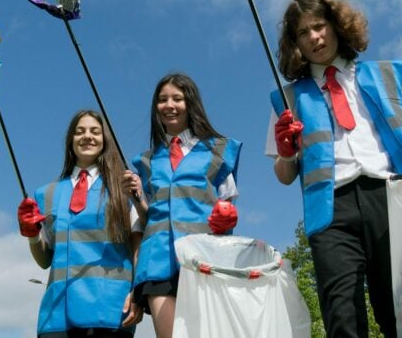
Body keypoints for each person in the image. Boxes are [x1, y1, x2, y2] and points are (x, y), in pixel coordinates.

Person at [266, 0, 402, 338]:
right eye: (303, 33)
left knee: (401, 306)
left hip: (390, 195)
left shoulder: (385, 76)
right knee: (342, 313)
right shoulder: (287, 98)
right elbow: (284, 175)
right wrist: (287, 150)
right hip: (331, 209)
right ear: (295, 44)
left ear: (336, 25)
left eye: (319, 26)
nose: (314, 37)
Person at [132, 73, 241, 338]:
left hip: (204, 259)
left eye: (177, 98)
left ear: (190, 103)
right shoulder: (144, 162)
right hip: (157, 265)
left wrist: (226, 221)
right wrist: (137, 199)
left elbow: (228, 205)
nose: (169, 105)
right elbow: (140, 223)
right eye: (162, 100)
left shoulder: (219, 150)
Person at [17, 110, 145, 337]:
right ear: (70, 141)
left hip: (110, 309)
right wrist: (31, 233)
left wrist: (137, 291)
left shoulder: (124, 188)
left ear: (105, 140)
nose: (87, 136)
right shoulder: (45, 194)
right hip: (56, 314)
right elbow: (45, 260)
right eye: (80, 132)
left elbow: (137, 247)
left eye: (95, 131)